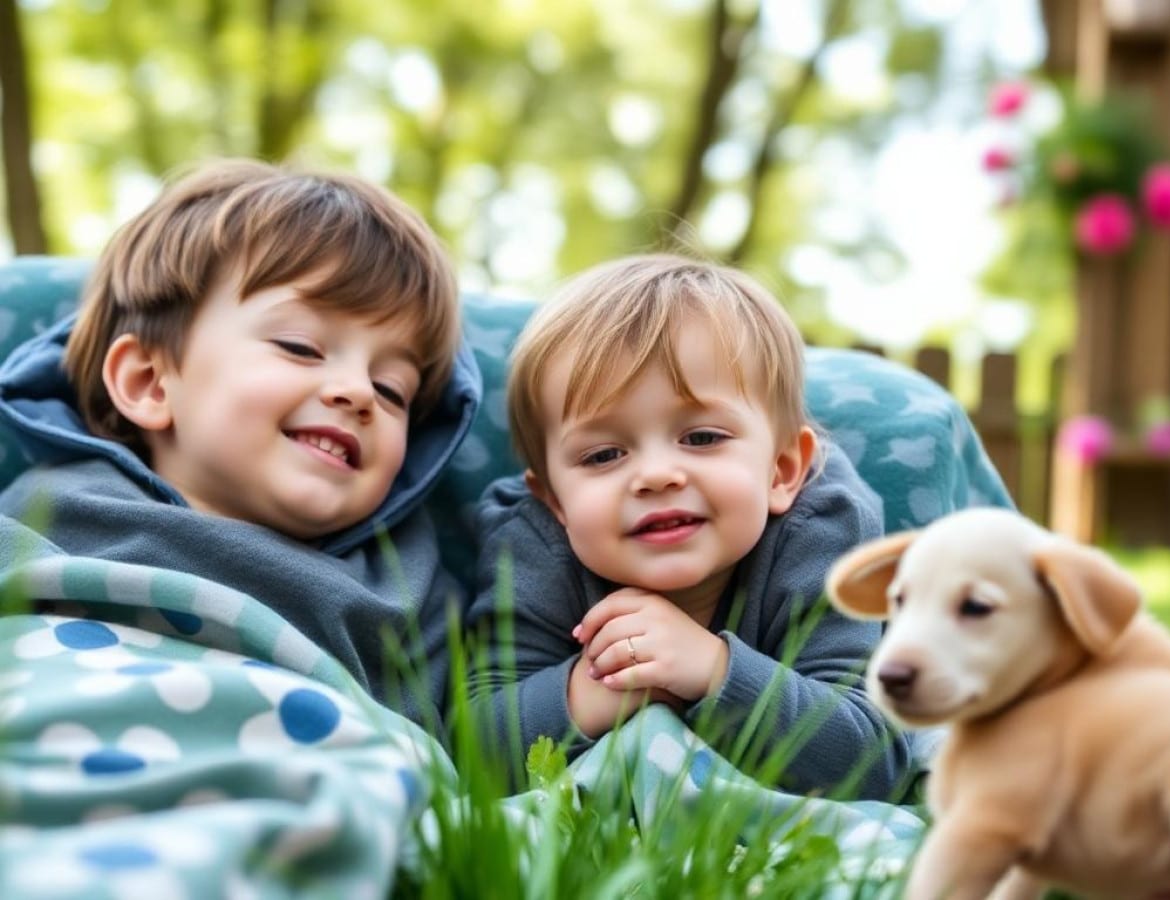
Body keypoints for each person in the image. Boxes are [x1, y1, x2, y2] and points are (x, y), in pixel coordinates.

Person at [0, 158, 480, 731]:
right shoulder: (53, 510)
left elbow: (459, 742)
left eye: (392, 389)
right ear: (149, 384)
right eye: (300, 347)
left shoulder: (404, 585)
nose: (359, 392)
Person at [467, 254, 911, 797]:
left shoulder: (822, 529)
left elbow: (873, 761)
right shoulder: (533, 541)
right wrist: (597, 690)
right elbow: (471, 749)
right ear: (555, 501)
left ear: (781, 470)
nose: (656, 475)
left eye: (701, 438)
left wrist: (713, 670)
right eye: (604, 454)